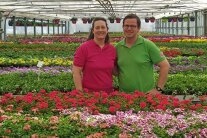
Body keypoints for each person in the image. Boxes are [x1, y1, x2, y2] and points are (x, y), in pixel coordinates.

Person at [115, 14, 170, 94]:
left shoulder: (148, 45)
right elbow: (115, 69)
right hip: (124, 96)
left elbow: (165, 65)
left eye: (133, 26)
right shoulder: (118, 47)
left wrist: (158, 89)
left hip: (146, 96)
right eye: (126, 26)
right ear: (123, 27)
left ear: (138, 28)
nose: (129, 28)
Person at [72, 17, 116, 93]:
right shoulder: (84, 48)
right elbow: (76, 71)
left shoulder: (112, 49)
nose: (100, 30)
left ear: (107, 30)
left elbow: (115, 70)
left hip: (108, 94)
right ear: (93, 30)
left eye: (103, 27)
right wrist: (80, 92)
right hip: (89, 94)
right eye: (97, 28)